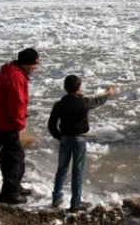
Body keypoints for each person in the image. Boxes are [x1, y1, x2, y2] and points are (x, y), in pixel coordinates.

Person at [48, 75, 117, 212]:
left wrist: (59, 137)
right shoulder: (83, 102)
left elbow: (51, 125)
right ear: (79, 88)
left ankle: (56, 198)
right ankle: (75, 204)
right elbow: (98, 101)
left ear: (65, 88)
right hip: (79, 139)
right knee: (78, 170)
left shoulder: (59, 105)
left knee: (62, 168)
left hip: (65, 139)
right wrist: (109, 93)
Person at [0, 48, 40, 204]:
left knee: (10, 156)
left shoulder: (11, 72)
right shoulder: (16, 76)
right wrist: (20, 126)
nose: (37, 66)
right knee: (15, 158)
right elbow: (16, 105)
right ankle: (10, 193)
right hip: (4, 124)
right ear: (27, 63)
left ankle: (14, 186)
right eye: (35, 63)